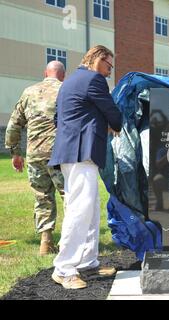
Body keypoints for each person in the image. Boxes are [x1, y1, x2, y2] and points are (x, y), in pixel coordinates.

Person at [49, 45, 122, 290]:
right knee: (80, 210)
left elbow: (57, 119)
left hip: (72, 151)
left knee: (89, 210)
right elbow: (111, 111)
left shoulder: (69, 82)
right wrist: (116, 124)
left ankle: (88, 261)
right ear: (98, 59)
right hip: (82, 152)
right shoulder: (94, 79)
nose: (109, 72)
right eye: (109, 66)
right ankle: (64, 268)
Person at [4, 61, 66, 256]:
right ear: (63, 75)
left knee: (42, 197)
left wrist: (15, 152)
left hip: (35, 154)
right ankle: (70, 243)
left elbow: (14, 124)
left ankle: (45, 242)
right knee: (70, 197)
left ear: (44, 73)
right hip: (60, 154)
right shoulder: (66, 90)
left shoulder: (29, 92)